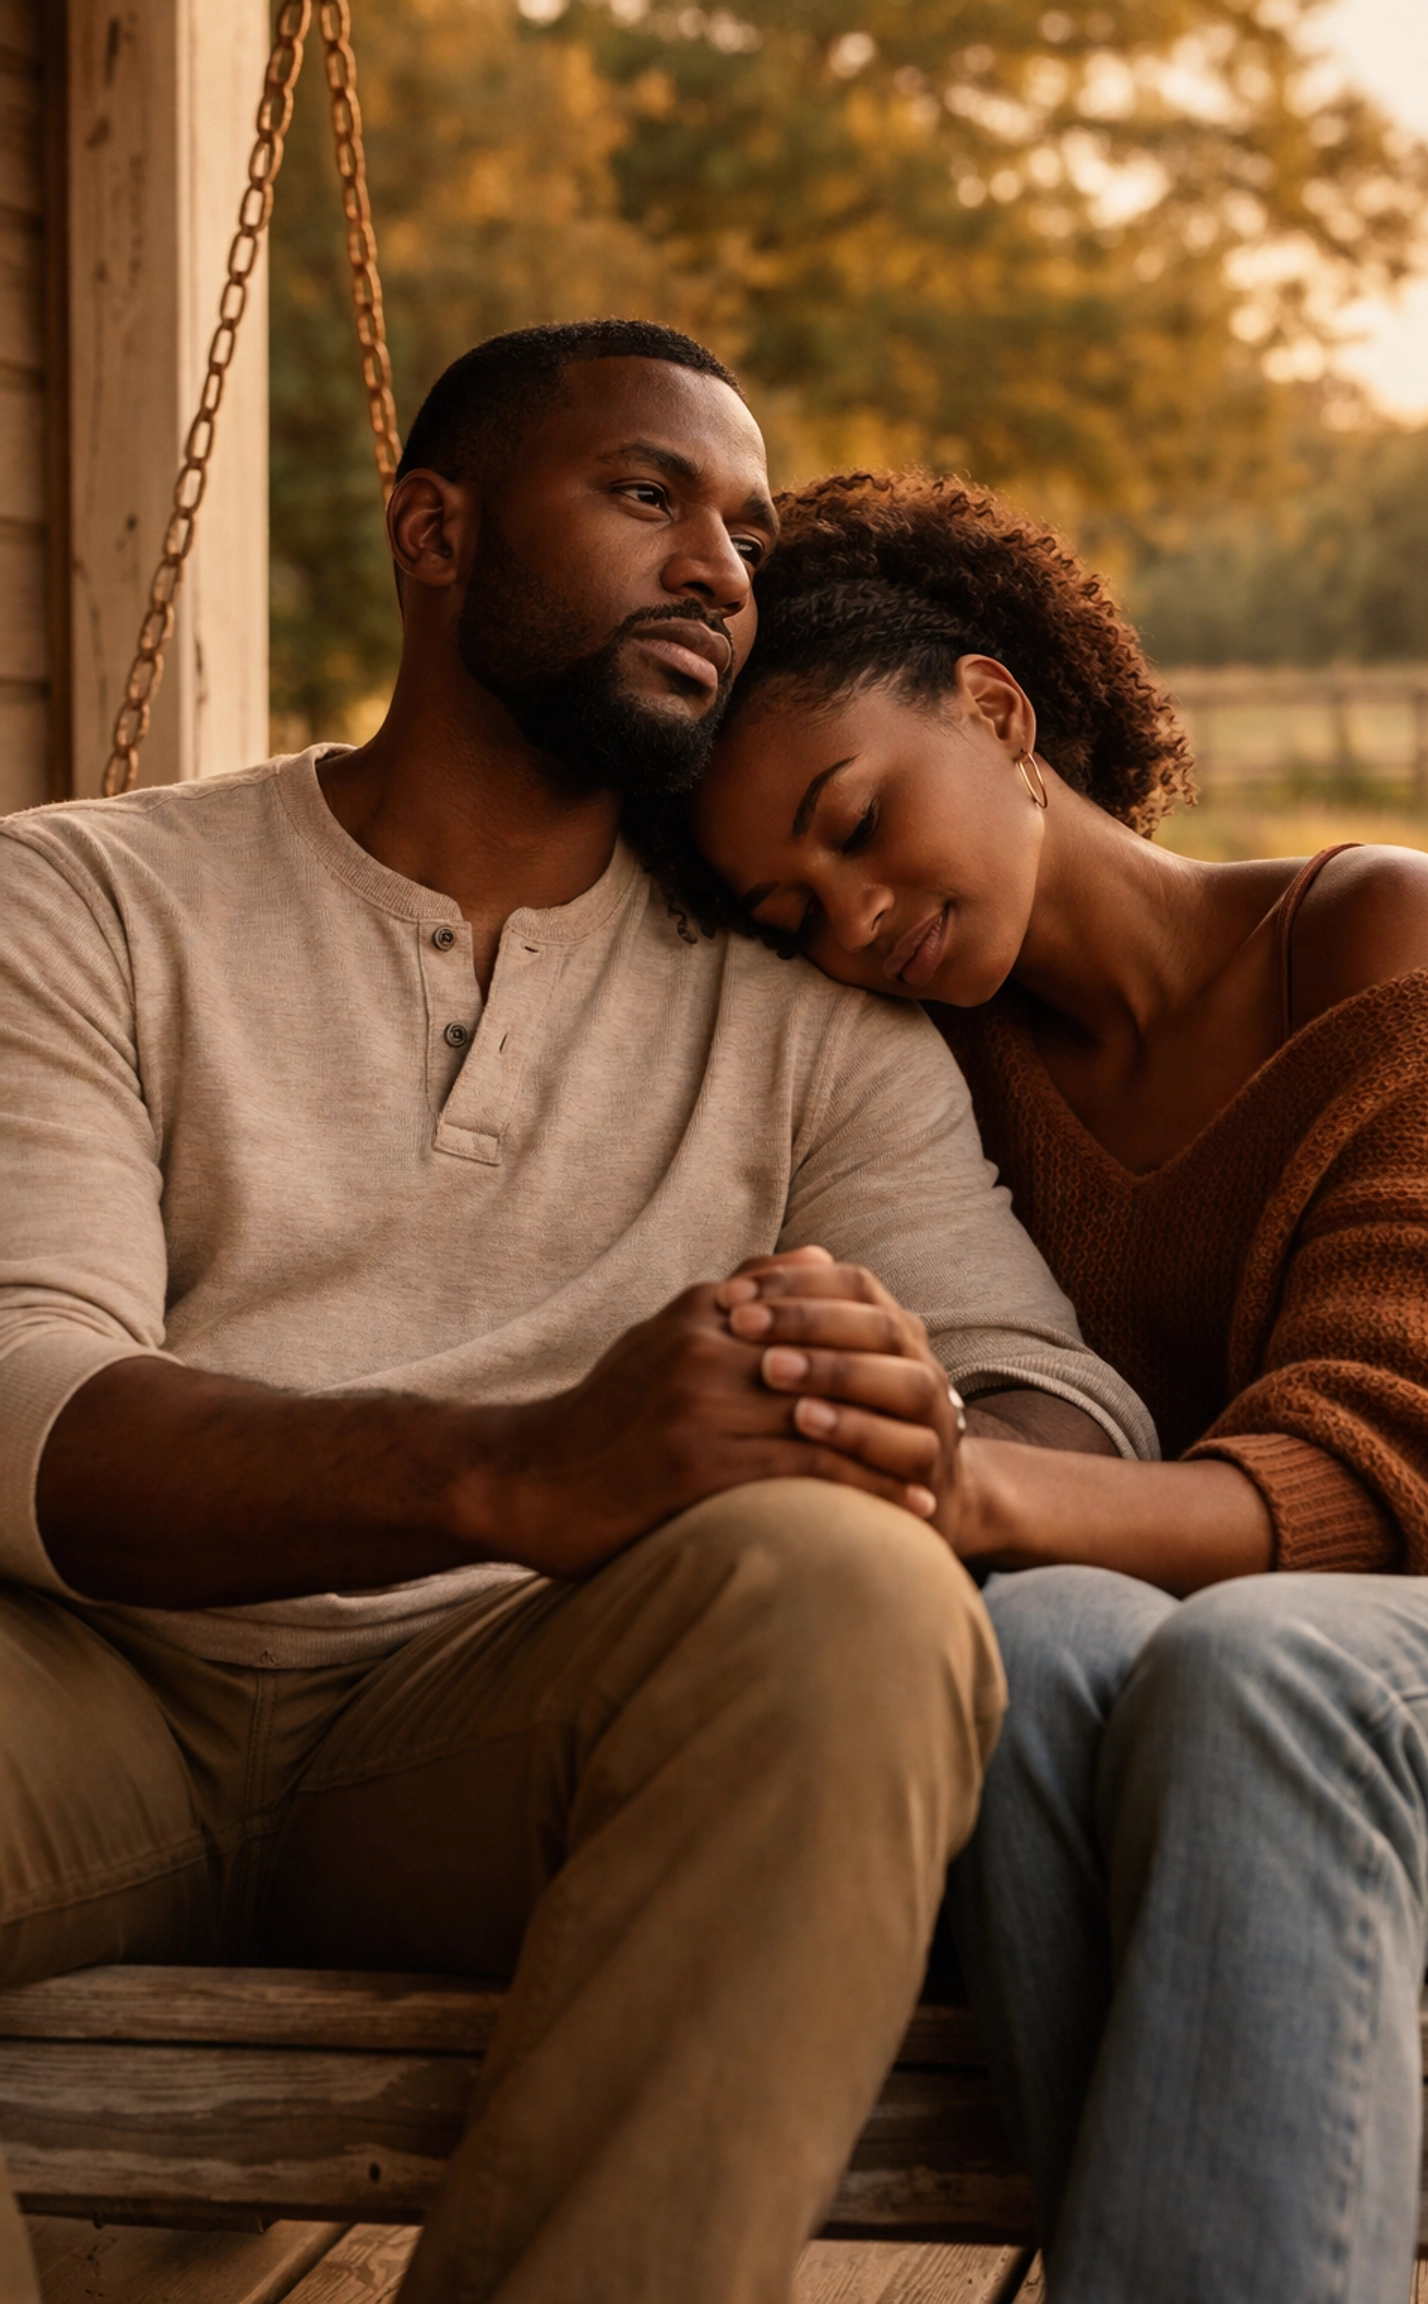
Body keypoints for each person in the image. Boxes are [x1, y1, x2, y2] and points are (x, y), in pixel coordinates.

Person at [0, 335, 1154, 2304]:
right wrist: (520, 1464)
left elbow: (1056, 1410)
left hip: (500, 1724)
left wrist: (892, 1423)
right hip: (98, 1688)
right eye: (650, 496)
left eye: (750, 529)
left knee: (847, 1597)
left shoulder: (810, 1020)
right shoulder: (89, 900)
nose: (721, 564)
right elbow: (29, 1408)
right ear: (435, 531)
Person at [676, 467, 1428, 2304]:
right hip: (1258, 1714)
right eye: (786, 904)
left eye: (855, 819)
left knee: (1256, 1664)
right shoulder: (935, 1083)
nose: (846, 915)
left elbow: (1392, 1494)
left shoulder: (1375, 933)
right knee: (1047, 1649)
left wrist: (969, 1485)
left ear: (996, 710)